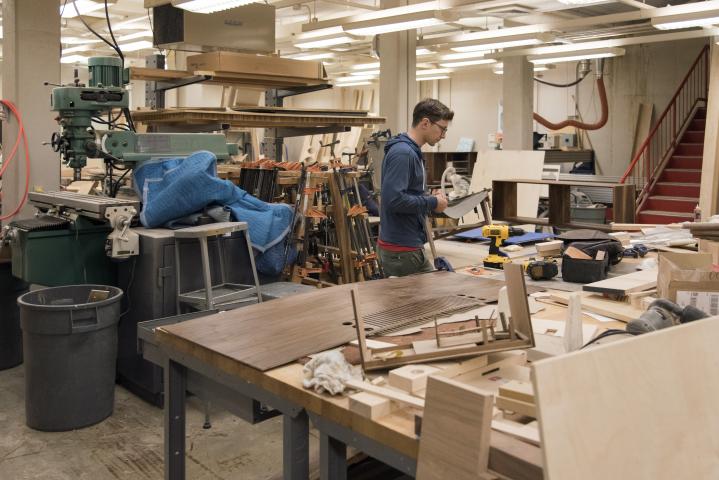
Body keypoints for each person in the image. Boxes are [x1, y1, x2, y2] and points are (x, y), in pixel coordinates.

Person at [378, 98, 453, 277]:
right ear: (425, 123)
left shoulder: (411, 151)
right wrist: (432, 202)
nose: (443, 135)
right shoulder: (403, 153)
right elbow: (394, 200)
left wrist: (428, 196)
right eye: (442, 129)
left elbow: (407, 193)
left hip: (406, 246)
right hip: (401, 250)